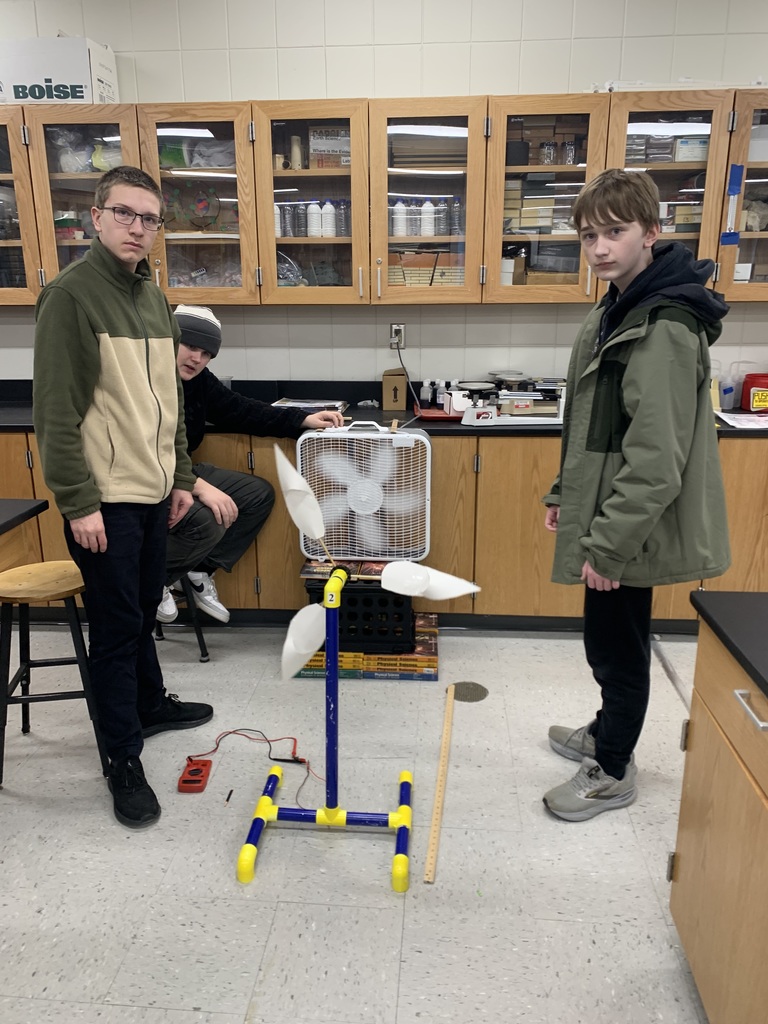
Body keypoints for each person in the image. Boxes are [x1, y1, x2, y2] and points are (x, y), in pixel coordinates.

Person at [541, 169, 730, 821]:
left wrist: (610, 546)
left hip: (631, 526)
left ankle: (613, 769)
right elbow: (593, 422)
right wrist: (564, 491)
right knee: (607, 639)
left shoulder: (664, 324)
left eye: (614, 232)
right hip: (609, 511)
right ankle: (605, 731)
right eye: (588, 235)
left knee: (619, 649)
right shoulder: (616, 307)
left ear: (651, 231)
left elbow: (657, 460)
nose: (598, 248)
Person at [33, 166, 214, 830]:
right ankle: (122, 761)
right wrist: (78, 503)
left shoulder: (154, 299)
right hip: (105, 500)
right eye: (125, 214)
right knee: (114, 632)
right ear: (97, 217)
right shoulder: (70, 297)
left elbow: (170, 403)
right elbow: (55, 413)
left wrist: (181, 476)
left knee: (140, 615)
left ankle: (149, 704)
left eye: (149, 218)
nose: (138, 228)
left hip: (152, 491)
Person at [156, 304, 344, 625]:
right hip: (148, 482)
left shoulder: (198, 381)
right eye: (189, 346)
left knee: (256, 494)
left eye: (206, 353)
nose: (196, 358)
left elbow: (240, 409)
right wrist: (199, 487)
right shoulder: (144, 379)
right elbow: (146, 450)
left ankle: (198, 570)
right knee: (208, 520)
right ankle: (154, 578)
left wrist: (302, 419)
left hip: (181, 473)